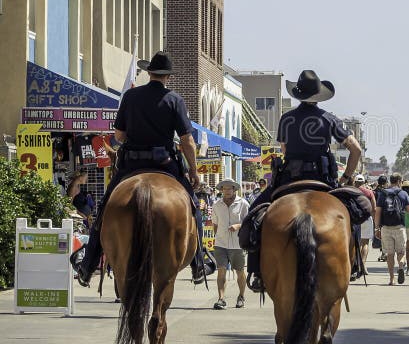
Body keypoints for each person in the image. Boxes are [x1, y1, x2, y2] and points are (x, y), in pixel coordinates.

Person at [69, 51, 212, 287]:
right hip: (165, 163)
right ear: (168, 77)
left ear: (149, 72)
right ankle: (198, 264)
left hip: (132, 163)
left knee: (105, 209)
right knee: (193, 207)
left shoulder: (131, 96)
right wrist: (194, 171)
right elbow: (187, 140)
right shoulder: (174, 99)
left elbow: (119, 136)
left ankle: (88, 264)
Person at [238, 70, 362, 291]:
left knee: (255, 217)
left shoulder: (287, 119)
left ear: (298, 95)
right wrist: (345, 178)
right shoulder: (330, 119)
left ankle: (256, 271)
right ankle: (353, 265)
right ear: (318, 95)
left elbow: (284, 150)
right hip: (324, 180)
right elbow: (356, 149)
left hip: (288, 180)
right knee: (352, 215)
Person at [210, 179, 250, 309]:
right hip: (220, 243)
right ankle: (221, 299)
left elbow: (248, 222)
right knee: (221, 271)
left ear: (234, 190)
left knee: (239, 272)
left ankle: (241, 297)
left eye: (229, 189)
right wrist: (219, 237)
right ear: (221, 190)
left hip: (237, 245)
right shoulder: (216, 205)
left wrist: (238, 225)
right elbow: (215, 225)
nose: (226, 191)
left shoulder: (243, 203)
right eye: (224, 189)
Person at [375, 173, 409, 285]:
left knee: (390, 254)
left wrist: (377, 228)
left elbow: (378, 211)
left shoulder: (383, 193)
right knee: (401, 252)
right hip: (399, 227)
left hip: (386, 227)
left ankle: (392, 279)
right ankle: (401, 266)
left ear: (390, 181)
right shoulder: (403, 193)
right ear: (399, 181)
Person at [354, 174, 376, 275]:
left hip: (354, 220)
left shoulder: (351, 191)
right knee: (365, 243)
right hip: (366, 219)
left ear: (355, 182)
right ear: (364, 182)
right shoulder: (369, 192)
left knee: (355, 243)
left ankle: (356, 265)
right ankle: (363, 264)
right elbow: (374, 208)